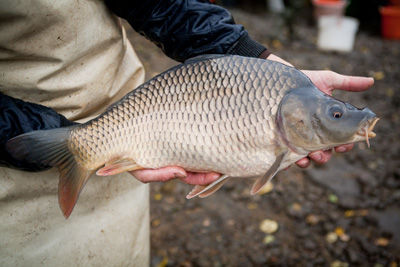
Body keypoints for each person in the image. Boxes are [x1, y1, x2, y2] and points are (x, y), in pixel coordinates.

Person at [0, 0, 373, 266]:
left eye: (335, 113)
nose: (338, 116)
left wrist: (241, 51)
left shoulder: (287, 96)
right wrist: (70, 140)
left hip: (116, 104)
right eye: (334, 112)